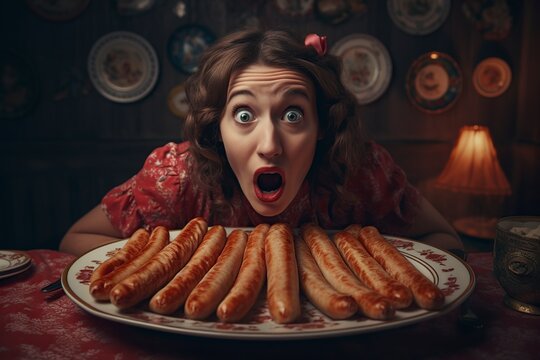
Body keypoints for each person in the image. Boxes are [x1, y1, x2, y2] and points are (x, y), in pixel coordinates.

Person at [60, 29, 464, 257]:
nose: (270, 145)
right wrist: (168, 264)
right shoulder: (176, 176)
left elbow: (446, 243)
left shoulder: (360, 171)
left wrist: (372, 266)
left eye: (292, 115)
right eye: (243, 115)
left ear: (321, 125)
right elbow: (76, 240)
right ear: (218, 127)